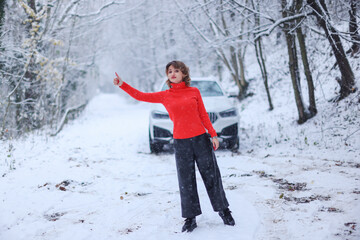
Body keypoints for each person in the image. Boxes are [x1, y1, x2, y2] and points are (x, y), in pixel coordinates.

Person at [113, 60, 235, 232]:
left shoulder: (194, 91)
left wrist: (213, 134)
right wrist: (122, 85)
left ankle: (224, 211)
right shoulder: (166, 95)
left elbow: (203, 114)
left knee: (212, 176)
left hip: (201, 139)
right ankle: (190, 218)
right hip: (181, 142)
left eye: (176, 70)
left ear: (184, 73)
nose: (172, 73)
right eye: (170, 71)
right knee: (186, 181)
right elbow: (140, 96)